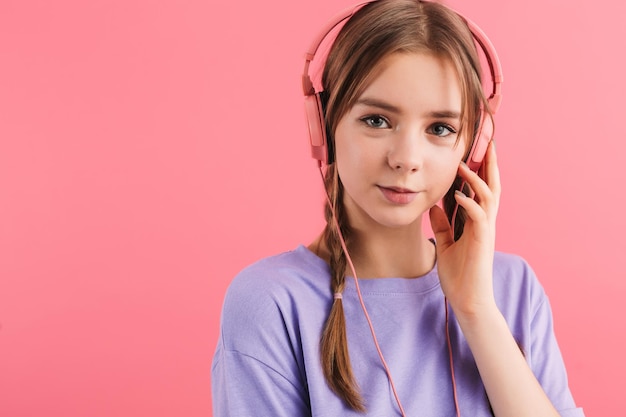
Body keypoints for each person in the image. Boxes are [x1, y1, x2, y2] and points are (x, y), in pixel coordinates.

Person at [211, 0, 584, 415]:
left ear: (473, 147)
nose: (406, 158)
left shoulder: (513, 291)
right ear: (325, 123)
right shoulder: (271, 302)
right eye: (377, 120)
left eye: (440, 128)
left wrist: (476, 310)